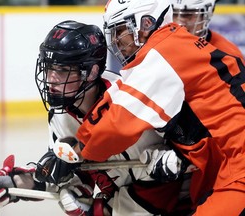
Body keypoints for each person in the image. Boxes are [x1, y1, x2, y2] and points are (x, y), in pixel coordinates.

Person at [45, 0, 245, 215]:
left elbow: (117, 125)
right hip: (225, 167)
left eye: (121, 31)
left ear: (146, 23)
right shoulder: (176, 45)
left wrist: (76, 152)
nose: (117, 42)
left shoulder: (162, 54)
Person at [0, 20, 190, 215]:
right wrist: (13, 183)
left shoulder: (131, 102)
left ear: (92, 72)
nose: (51, 80)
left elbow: (168, 181)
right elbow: (65, 174)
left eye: (63, 70)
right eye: (49, 69)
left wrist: (99, 211)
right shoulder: (60, 115)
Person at [171, 0, 244, 59]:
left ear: (209, 12)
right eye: (171, 13)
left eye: (187, 14)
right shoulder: (159, 46)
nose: (178, 22)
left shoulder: (230, 56)